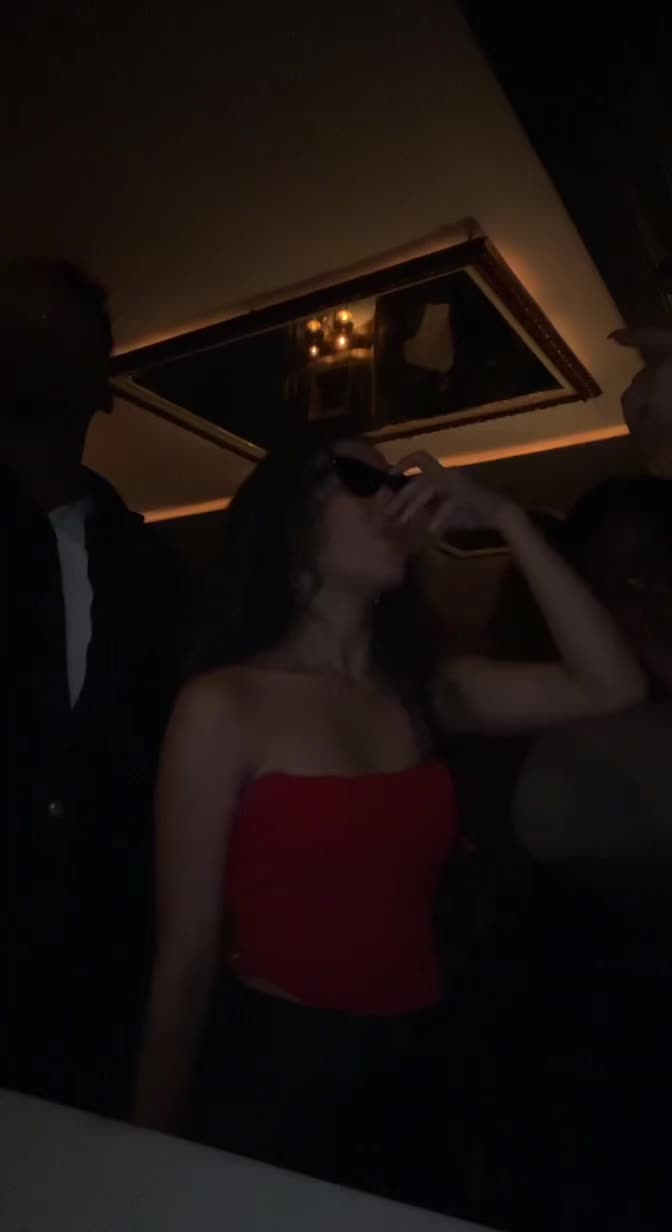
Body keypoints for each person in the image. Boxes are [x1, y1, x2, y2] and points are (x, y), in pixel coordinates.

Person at [134, 431, 644, 1215]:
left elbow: (613, 685)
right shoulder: (225, 705)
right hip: (285, 1066)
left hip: (422, 1061)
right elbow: (187, 957)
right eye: (360, 479)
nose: (398, 498)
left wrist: (507, 519)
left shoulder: (422, 689)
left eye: (398, 481)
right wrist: (144, 1158)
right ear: (290, 519)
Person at [2, 258, 188, 1117]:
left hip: (102, 977)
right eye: (15, 327)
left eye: (54, 331)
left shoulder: (152, 569)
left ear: (104, 383)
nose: (30, 345)